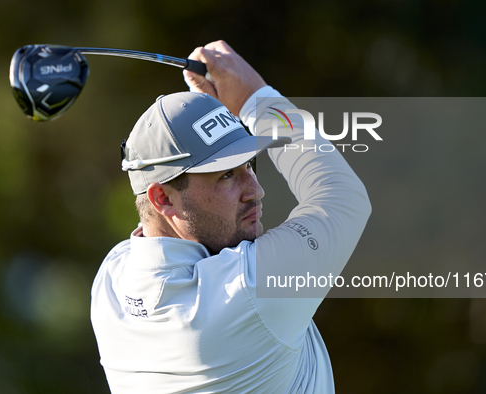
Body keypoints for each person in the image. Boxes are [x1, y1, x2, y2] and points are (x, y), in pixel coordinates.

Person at [91, 40, 371, 393]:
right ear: (162, 197)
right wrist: (256, 99)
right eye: (226, 174)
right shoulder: (247, 291)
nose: (255, 189)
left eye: (249, 165)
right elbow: (343, 199)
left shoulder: (111, 282)